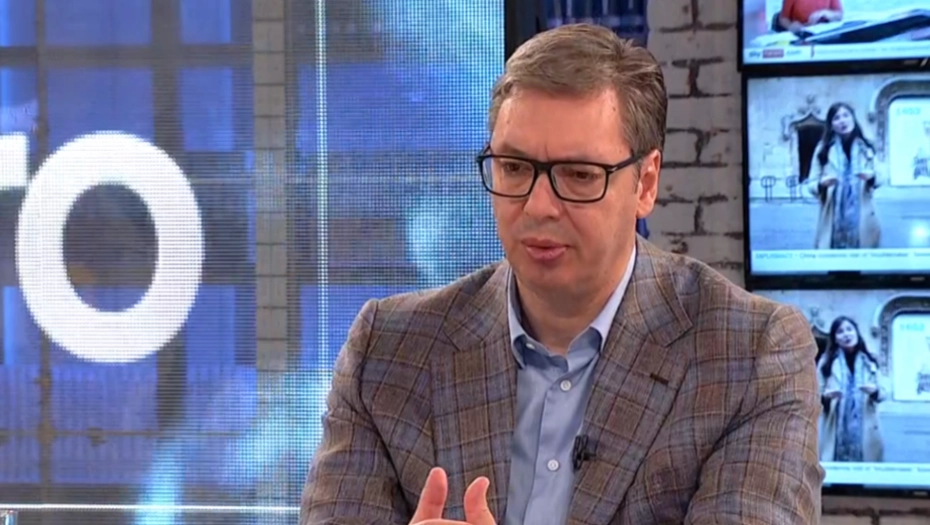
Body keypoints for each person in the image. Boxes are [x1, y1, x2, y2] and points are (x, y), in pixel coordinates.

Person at [300, 23, 823, 525]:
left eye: (578, 175)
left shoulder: (750, 354)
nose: (538, 206)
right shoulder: (388, 350)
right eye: (514, 168)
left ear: (645, 184)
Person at [805, 102, 880, 250]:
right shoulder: (823, 149)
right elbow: (811, 183)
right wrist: (822, 184)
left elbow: (881, 176)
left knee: (862, 258)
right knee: (833, 259)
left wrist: (871, 177)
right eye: (836, 118)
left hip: (863, 215)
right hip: (831, 217)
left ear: (853, 118)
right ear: (831, 125)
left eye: (846, 115)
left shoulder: (866, 147)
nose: (842, 121)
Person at [817, 316, 886, 463]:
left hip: (866, 426)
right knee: (836, 470)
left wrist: (874, 392)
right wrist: (826, 397)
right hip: (835, 427)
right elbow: (814, 395)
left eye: (849, 329)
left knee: (865, 469)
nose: (846, 334)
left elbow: (884, 391)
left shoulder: (870, 360)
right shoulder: (826, 362)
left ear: (856, 333)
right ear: (835, 339)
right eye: (840, 331)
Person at [778, 0, 843, 34]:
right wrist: (790, 26)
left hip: (824, 34)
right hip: (801, 34)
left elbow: (839, 15)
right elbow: (783, 18)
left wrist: (824, 13)